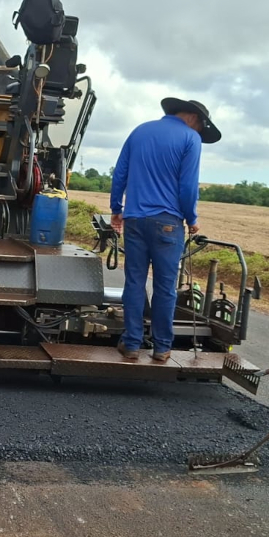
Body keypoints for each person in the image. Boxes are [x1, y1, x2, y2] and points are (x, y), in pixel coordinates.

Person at [109, 98, 222, 363]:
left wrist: (116, 207)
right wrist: (191, 218)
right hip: (168, 223)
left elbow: (120, 173)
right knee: (165, 287)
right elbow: (188, 186)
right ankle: (161, 348)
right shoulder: (190, 139)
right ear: (195, 118)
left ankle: (132, 344)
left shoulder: (140, 131)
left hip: (135, 220)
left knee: (135, 282)